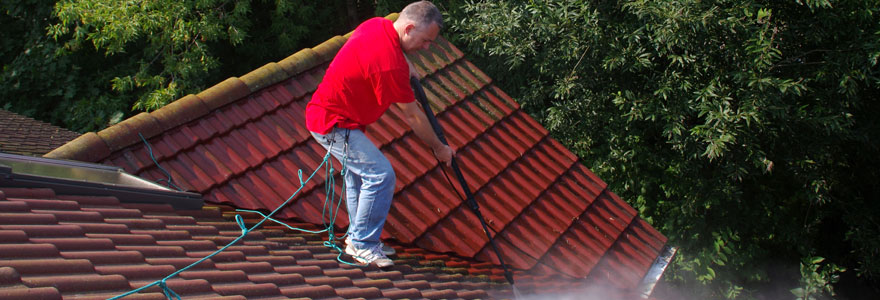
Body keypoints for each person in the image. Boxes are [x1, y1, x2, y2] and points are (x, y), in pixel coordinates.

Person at [305, 1, 453, 267]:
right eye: (426, 40)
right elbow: (413, 116)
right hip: (331, 123)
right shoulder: (390, 65)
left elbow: (393, 53)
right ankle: (362, 244)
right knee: (380, 174)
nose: (427, 47)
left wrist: (408, 64)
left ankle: (357, 238)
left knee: (359, 177)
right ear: (409, 28)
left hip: (340, 118)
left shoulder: (377, 25)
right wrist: (439, 148)